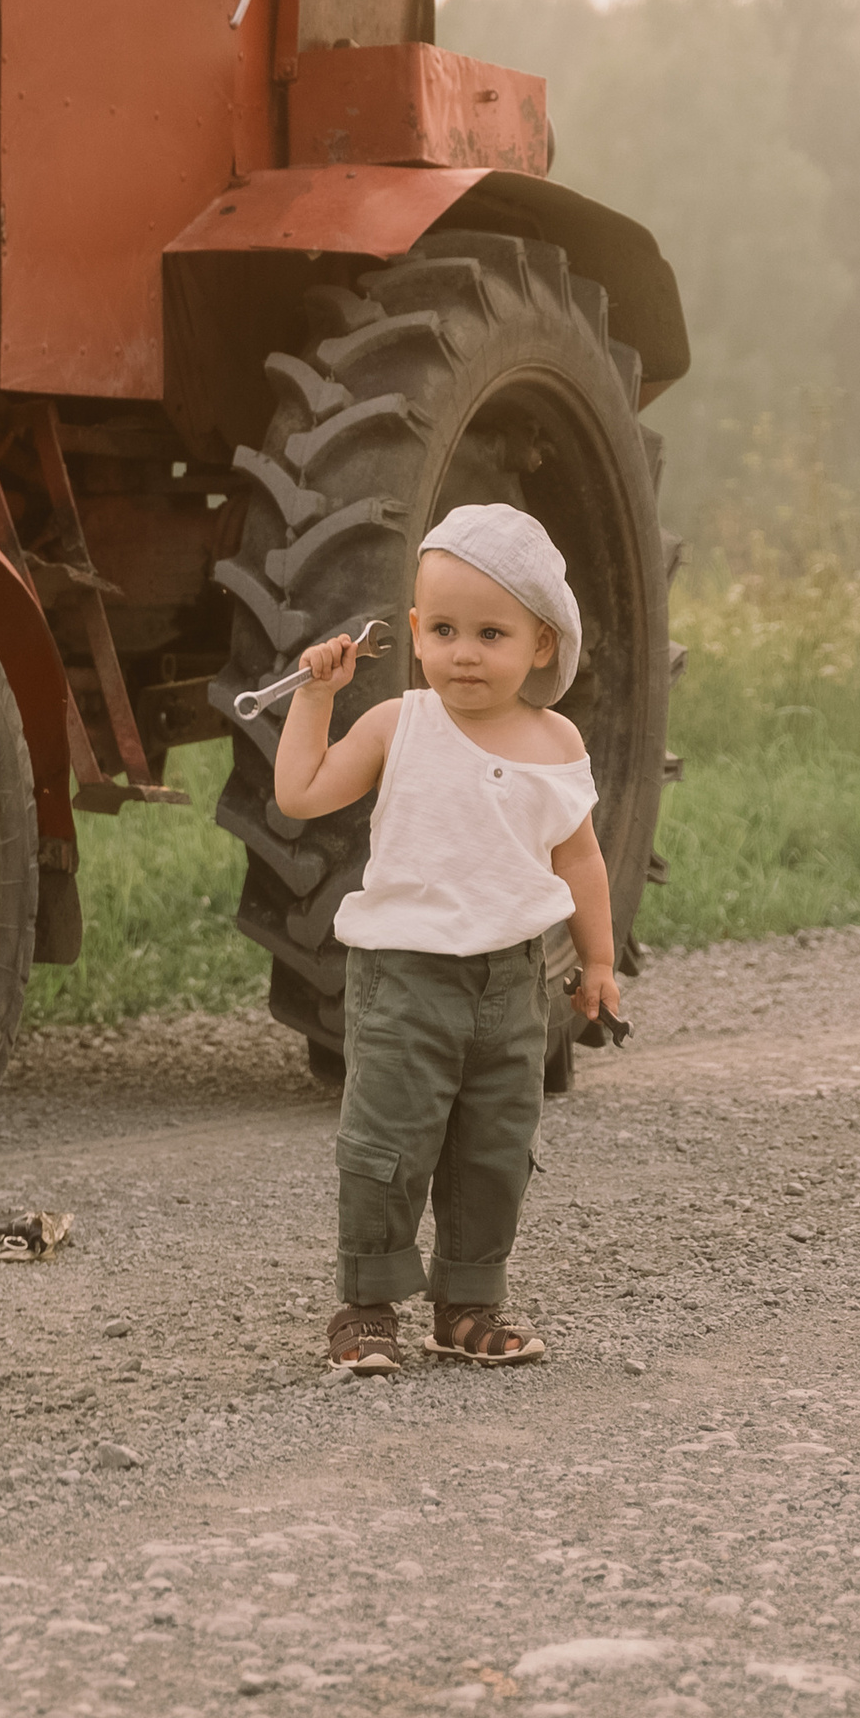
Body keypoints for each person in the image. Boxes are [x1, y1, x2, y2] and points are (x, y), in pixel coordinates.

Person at [270, 503, 620, 1375]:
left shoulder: (556, 741)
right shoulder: (401, 725)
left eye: (493, 633)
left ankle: (467, 1305)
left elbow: (580, 859)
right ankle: (367, 1306)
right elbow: (302, 794)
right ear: (417, 631)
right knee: (388, 1143)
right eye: (447, 630)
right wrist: (316, 697)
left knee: (495, 1148)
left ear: (541, 646)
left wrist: (600, 962)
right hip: (403, 980)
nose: (465, 652)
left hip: (513, 984)